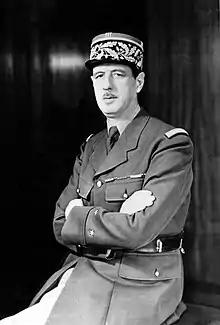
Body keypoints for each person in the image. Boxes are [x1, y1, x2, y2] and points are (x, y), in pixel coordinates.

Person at [0, 32, 193, 325]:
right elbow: (59, 223)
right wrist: (117, 215)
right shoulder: (92, 146)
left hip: (142, 281)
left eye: (118, 74)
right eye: (99, 75)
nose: (107, 85)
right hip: (88, 272)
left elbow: (138, 230)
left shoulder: (168, 143)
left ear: (138, 82)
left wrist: (81, 213)